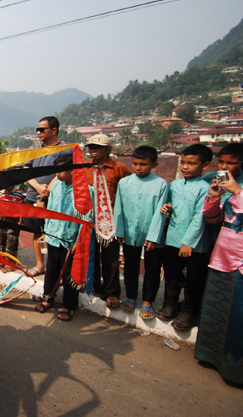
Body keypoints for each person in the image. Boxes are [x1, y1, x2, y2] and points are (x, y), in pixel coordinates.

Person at [196, 155, 243, 393]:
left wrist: (237, 192)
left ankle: (241, 373)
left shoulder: (241, 195)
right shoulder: (237, 197)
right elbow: (213, 218)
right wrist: (214, 197)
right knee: (217, 311)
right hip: (224, 262)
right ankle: (211, 357)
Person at [158, 144, 213, 331]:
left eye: (191, 163)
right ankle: (170, 305)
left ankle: (189, 312)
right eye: (183, 163)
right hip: (172, 239)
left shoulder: (205, 188)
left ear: (205, 165)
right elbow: (169, 205)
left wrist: (188, 242)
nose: (185, 167)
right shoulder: (174, 185)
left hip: (194, 245)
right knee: (172, 275)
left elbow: (200, 217)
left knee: (193, 280)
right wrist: (166, 208)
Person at [113, 146, 167, 319]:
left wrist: (154, 236)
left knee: (152, 268)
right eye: (135, 163)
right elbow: (119, 209)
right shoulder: (125, 183)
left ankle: (148, 301)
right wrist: (119, 230)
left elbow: (160, 211)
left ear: (154, 164)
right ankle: (130, 297)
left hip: (151, 233)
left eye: (143, 164)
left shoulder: (161, 184)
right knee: (130, 266)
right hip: (129, 233)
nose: (138, 167)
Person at [34, 153, 86, 321]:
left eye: (60, 170)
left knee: (69, 273)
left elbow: (86, 219)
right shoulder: (56, 187)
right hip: (54, 235)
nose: (57, 174)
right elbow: (51, 212)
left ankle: (70, 305)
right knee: (52, 269)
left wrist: (79, 241)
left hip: (71, 238)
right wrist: (46, 231)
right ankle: (48, 297)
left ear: (71, 170)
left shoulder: (84, 190)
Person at [85, 133, 130, 308]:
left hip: (110, 219)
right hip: (90, 218)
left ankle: (111, 292)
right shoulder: (85, 167)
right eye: (91, 148)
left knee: (111, 257)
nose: (93, 151)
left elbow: (126, 194)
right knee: (91, 253)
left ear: (108, 149)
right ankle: (94, 286)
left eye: (98, 148)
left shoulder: (119, 169)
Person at [23, 116, 65, 278]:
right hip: (34, 196)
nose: (38, 133)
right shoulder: (35, 150)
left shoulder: (65, 150)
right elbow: (26, 170)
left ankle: (58, 270)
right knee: (35, 232)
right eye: (37, 130)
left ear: (54, 130)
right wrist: (38, 187)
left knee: (55, 234)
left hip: (55, 200)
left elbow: (63, 173)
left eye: (42, 129)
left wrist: (47, 191)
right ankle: (40, 264)